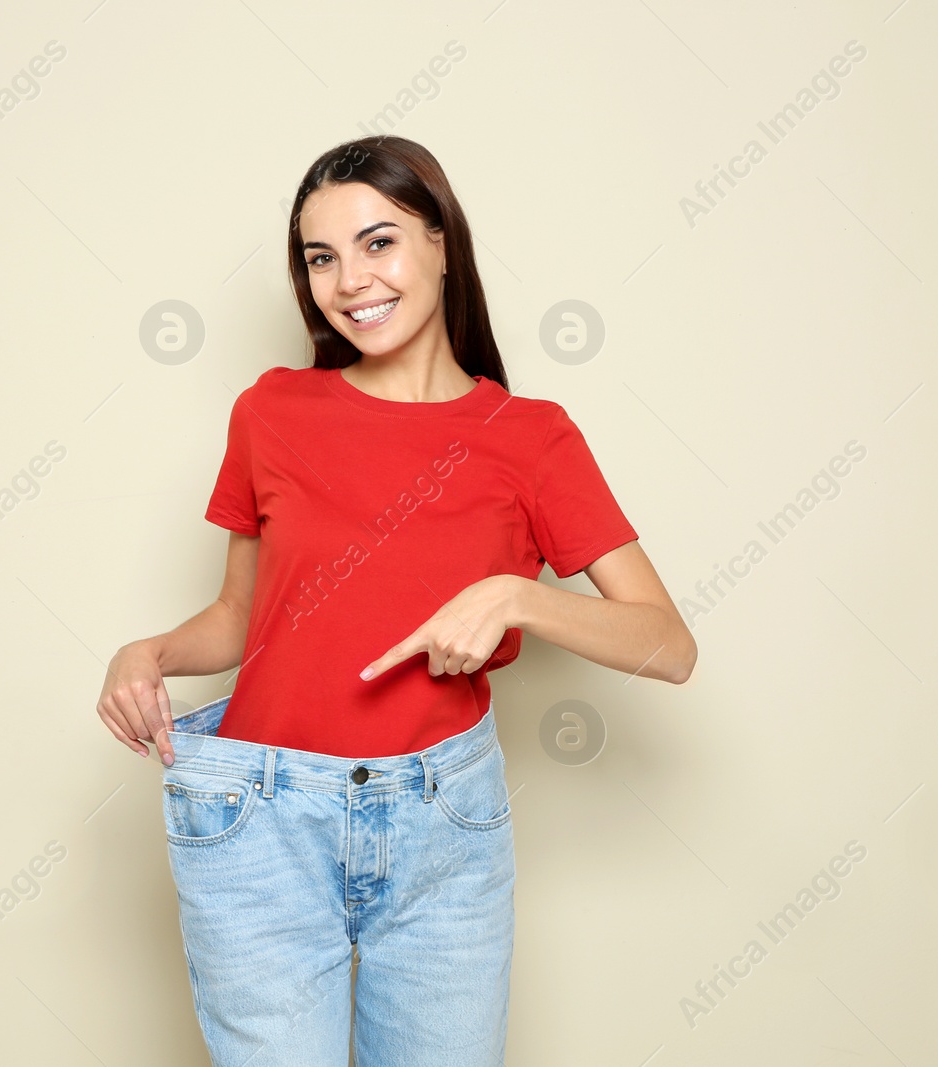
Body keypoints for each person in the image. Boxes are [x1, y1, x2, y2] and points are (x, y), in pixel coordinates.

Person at [96, 135, 697, 1066]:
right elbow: (239, 618)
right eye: (321, 257)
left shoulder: (528, 437)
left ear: (442, 244)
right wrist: (150, 654)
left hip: (440, 827)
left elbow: (668, 645)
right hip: (261, 820)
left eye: (378, 243)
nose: (349, 281)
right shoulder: (273, 413)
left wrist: (513, 598)